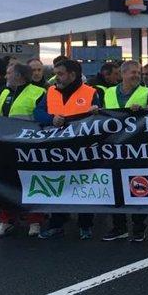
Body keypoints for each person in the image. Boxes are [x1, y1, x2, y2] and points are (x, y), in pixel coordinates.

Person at [34, 59, 102, 239]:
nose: (56, 77)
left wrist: (97, 111)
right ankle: (56, 224)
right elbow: (38, 112)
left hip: (82, 148)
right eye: (56, 73)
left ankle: (85, 225)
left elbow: (101, 117)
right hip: (56, 148)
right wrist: (51, 119)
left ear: (72, 75)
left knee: (84, 186)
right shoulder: (51, 91)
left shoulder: (90, 92)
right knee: (57, 185)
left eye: (60, 73)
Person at [0, 62, 47, 237]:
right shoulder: (3, 92)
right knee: (4, 183)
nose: (6, 76)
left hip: (28, 146)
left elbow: (43, 118)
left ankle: (34, 221)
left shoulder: (38, 92)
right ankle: (5, 220)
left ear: (19, 76)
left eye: (9, 73)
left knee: (31, 183)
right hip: (4, 145)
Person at [100, 60, 148, 242]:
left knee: (138, 187)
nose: (137, 76)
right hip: (113, 147)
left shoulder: (145, 92)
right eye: (133, 72)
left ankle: (139, 227)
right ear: (123, 74)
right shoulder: (109, 92)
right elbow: (101, 115)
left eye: (138, 73)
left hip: (137, 148)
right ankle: (119, 227)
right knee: (115, 187)